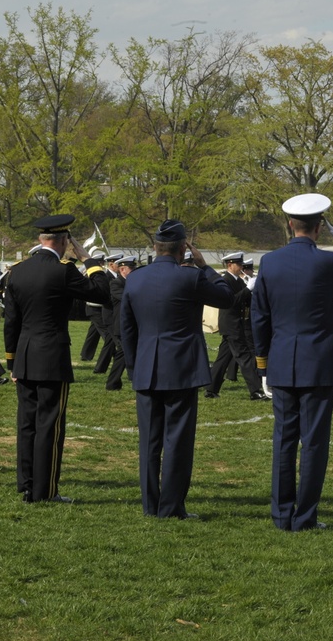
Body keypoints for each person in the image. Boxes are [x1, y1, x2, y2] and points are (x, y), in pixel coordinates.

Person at [251, 194, 333, 532]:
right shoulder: (328, 262)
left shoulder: (269, 262)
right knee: (315, 442)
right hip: (319, 362)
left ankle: (281, 515)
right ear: (320, 228)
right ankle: (305, 516)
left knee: (284, 440)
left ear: (290, 225)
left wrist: (262, 364)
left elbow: (259, 316)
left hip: (281, 360)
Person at [121, 220, 234, 519]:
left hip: (146, 367)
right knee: (178, 442)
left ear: (155, 248)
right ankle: (171, 507)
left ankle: (150, 505)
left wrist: (134, 368)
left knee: (149, 442)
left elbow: (127, 329)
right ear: (183, 248)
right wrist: (206, 266)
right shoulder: (191, 277)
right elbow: (226, 297)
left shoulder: (134, 279)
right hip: (182, 369)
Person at [3, 215, 109, 503]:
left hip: (24, 357)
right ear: (64, 242)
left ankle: (27, 485)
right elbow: (102, 291)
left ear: (40, 240)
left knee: (26, 424)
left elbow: (11, 322)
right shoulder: (64, 270)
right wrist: (89, 260)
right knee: (49, 425)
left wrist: (12, 362)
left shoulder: (17, 271)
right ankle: (45, 491)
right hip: (52, 357)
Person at [206, 252, 266, 400]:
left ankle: (211, 389)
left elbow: (246, 301)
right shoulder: (225, 281)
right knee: (244, 356)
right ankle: (255, 390)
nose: (241, 268)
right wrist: (247, 289)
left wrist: (253, 289)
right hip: (230, 324)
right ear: (230, 265)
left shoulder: (238, 281)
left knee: (223, 360)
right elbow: (231, 301)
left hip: (235, 324)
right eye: (238, 265)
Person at [104, 255, 137, 391]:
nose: (134, 270)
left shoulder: (133, 282)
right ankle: (112, 383)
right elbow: (128, 298)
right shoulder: (116, 283)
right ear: (122, 269)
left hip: (132, 325)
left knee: (126, 354)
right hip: (121, 325)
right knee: (123, 353)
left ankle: (116, 382)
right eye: (132, 268)